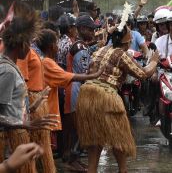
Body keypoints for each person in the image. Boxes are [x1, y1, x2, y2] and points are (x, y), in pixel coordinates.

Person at [75, 13, 160, 172]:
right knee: (119, 137)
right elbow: (142, 74)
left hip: (86, 95)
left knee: (94, 139)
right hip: (105, 95)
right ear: (127, 41)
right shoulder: (121, 53)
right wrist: (155, 61)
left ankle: (92, 169)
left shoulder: (101, 49)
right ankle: (123, 170)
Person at [0, 17, 58, 173]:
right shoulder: (7, 71)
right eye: (30, 43)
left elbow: (10, 108)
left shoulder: (10, 66)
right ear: (22, 44)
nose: (30, 48)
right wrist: (24, 124)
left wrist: (31, 106)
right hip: (8, 142)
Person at [63, 15, 98, 171]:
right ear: (82, 29)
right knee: (79, 129)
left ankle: (73, 158)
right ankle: (72, 159)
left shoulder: (81, 45)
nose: (93, 33)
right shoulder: (80, 47)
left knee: (77, 129)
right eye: (90, 30)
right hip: (75, 89)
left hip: (75, 88)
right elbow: (83, 71)